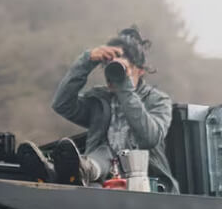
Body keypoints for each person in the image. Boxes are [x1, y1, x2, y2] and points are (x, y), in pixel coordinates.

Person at [19, 26, 178, 192]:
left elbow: (150, 138)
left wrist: (124, 89)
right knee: (103, 152)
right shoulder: (100, 99)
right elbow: (62, 104)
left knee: (108, 153)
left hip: (145, 184)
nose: (114, 76)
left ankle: (70, 171)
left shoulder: (158, 101)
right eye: (110, 69)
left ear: (140, 70)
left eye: (122, 70)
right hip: (100, 181)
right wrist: (86, 61)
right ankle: (64, 172)